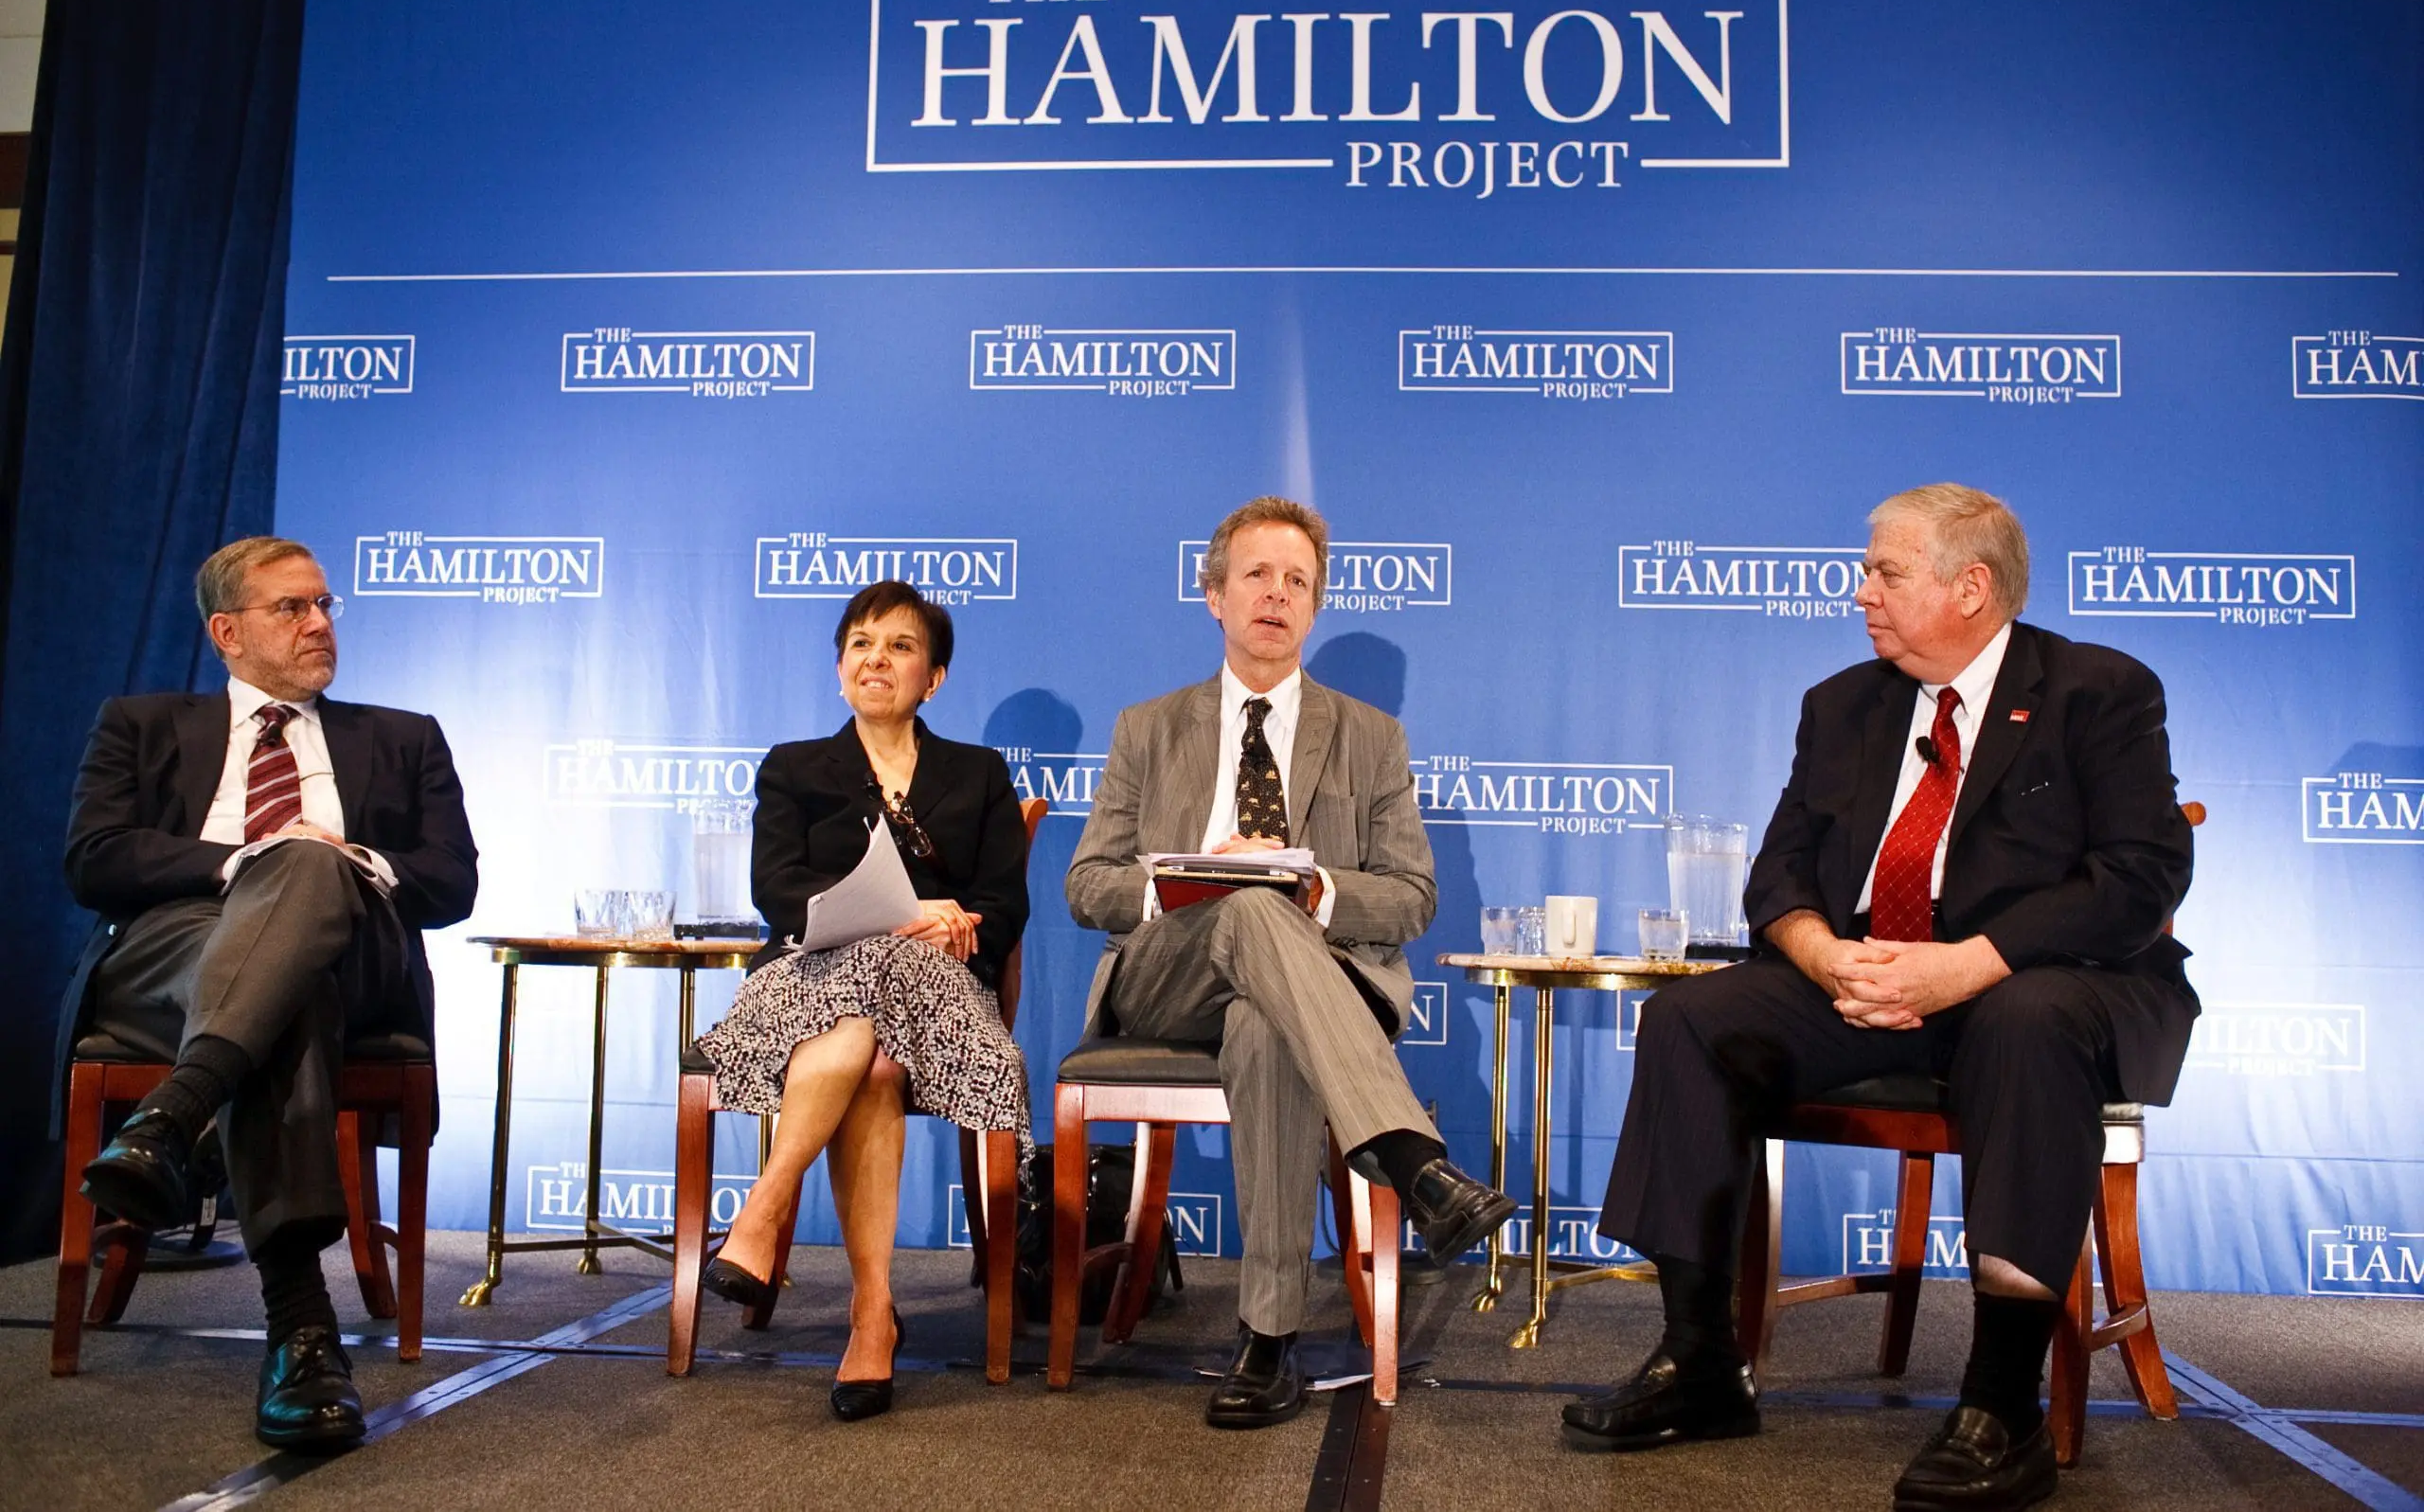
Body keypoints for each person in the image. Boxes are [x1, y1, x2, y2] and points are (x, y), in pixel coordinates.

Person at [1565, 485, 2197, 1512]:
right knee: (1690, 1019)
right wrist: (1823, 957)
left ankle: (2002, 1408)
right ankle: (1701, 1363)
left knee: (2026, 1022)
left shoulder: (2097, 690)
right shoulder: (1843, 705)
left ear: (1970, 588)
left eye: (1885, 573)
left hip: (2049, 985)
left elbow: (2139, 877)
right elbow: (1778, 875)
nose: (1860, 593)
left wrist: (1968, 963)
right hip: (1867, 975)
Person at [1067, 495, 1515, 1429]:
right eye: (1257, 575)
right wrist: (1185, 880)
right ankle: (1412, 1158)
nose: (1277, 594)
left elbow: (1412, 897)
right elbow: (1087, 885)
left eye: (1297, 581)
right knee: (1242, 903)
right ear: (1215, 596)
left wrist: (1312, 890)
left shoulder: (1371, 737)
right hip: (1168, 974)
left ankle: (1267, 1341)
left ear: (1315, 605)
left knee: (1263, 1010)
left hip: (1303, 983)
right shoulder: (1149, 727)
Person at [64, 536, 478, 1451]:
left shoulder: (402, 735)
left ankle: (177, 1116)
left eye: (326, 604)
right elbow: (93, 858)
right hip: (175, 948)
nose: (319, 622)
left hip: (354, 950)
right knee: (290, 986)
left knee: (308, 885)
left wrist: (338, 860)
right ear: (227, 632)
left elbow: (453, 883)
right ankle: (300, 1332)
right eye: (292, 607)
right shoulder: (141, 723)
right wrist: (245, 859)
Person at [693, 579, 1030, 1422]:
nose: (877, 658)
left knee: (880, 1007)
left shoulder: (978, 773)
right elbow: (777, 890)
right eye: (862, 644)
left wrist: (952, 929)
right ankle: (872, 1315)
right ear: (840, 667)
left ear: (934, 678)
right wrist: (900, 915)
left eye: (901, 645)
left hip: (937, 997)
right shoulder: (795, 767)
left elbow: (1004, 903)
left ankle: (765, 1207)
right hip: (808, 980)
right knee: (871, 1056)